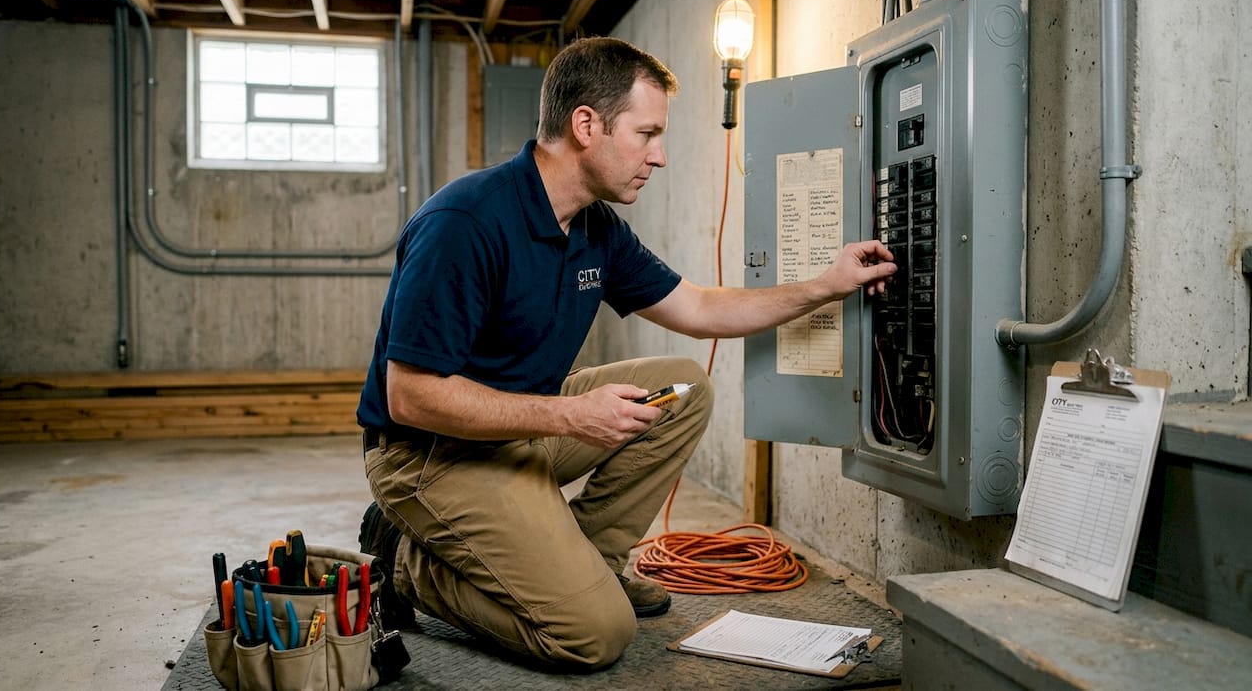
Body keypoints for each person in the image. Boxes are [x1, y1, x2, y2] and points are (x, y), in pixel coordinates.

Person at [356, 36, 896, 672]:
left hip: (520, 427)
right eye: (646, 134)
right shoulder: (466, 222)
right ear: (586, 125)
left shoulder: (595, 228)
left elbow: (697, 310)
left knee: (684, 388)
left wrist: (824, 286)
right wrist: (569, 416)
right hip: (428, 454)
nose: (659, 157)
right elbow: (411, 395)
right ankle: (406, 565)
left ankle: (592, 564)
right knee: (593, 636)